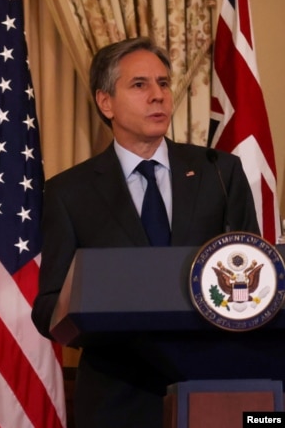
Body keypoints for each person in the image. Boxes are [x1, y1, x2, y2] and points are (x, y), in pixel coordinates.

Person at [31, 37, 259, 428]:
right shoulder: (69, 192)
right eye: (140, 85)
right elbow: (48, 308)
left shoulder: (219, 173)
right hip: (118, 397)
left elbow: (256, 281)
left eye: (164, 83)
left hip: (212, 389)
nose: (158, 96)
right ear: (106, 103)